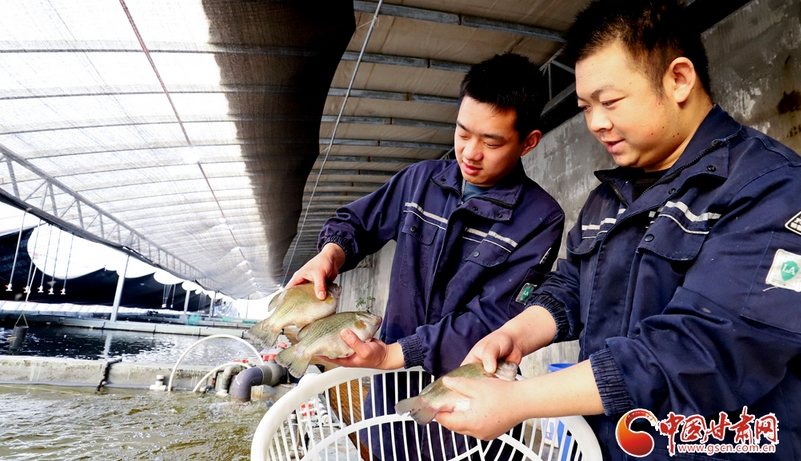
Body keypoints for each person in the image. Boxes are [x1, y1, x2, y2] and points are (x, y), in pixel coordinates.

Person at [434, 1, 801, 459]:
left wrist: (519, 402)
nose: (595, 123)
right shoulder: (610, 197)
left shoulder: (771, 189)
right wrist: (516, 334)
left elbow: (699, 351)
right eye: (586, 107)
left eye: (609, 103)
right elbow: (573, 285)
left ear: (679, 79)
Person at [287, 53, 565, 459]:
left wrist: (396, 354)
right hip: (389, 390)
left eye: (491, 142)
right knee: (382, 450)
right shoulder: (420, 181)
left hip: (470, 394)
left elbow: (490, 323)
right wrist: (330, 254)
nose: (470, 152)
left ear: (528, 141)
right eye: (463, 132)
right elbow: (356, 223)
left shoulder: (539, 219)